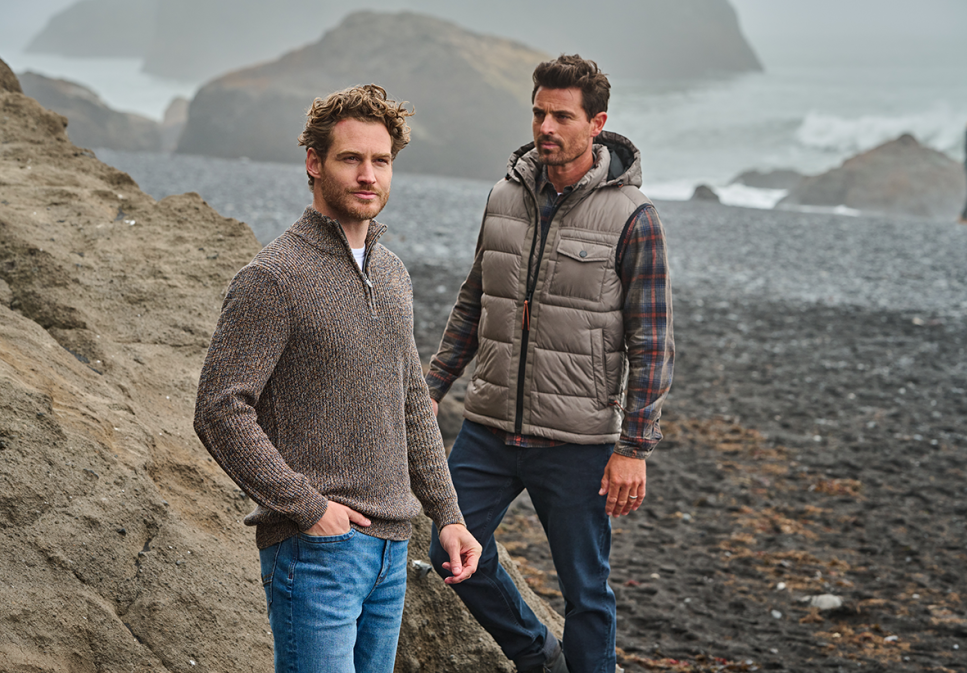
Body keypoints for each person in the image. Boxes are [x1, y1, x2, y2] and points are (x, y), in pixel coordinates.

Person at [193, 84, 481, 673]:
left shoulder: (392, 273)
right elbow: (220, 410)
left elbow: (410, 403)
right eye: (351, 158)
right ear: (314, 163)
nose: (368, 175)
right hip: (316, 551)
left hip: (391, 552)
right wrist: (307, 506)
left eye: (381, 161)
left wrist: (448, 515)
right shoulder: (273, 278)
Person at [427, 55, 674, 673]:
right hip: (489, 427)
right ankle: (537, 655)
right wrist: (432, 386)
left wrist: (634, 448)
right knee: (448, 549)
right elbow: (475, 301)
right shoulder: (503, 196)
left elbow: (652, 340)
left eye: (562, 116)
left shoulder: (633, 216)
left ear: (597, 124)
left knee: (586, 592)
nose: (546, 127)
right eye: (539, 113)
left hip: (577, 440)